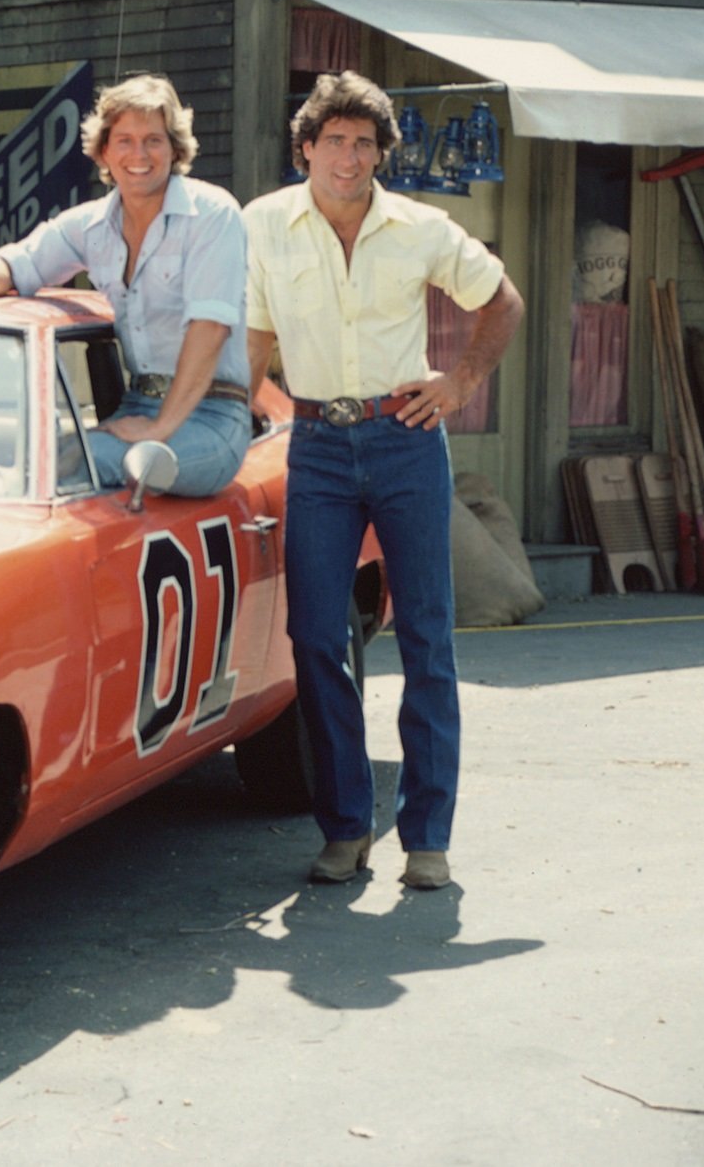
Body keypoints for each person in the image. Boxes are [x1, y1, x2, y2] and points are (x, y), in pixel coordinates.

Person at [243, 71, 525, 891]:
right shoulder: (266, 224)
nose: (349, 155)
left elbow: (500, 300)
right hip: (318, 448)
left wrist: (459, 386)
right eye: (333, 140)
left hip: (404, 439)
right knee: (316, 638)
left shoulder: (419, 227)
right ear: (306, 148)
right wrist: (238, 426)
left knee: (428, 637)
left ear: (380, 155)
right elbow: (255, 335)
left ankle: (428, 838)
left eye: (364, 142)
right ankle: (345, 828)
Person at [0, 74, 252, 497]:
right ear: (104, 149)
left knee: (68, 465)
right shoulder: (91, 225)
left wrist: (158, 428)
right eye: (124, 140)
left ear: (175, 148)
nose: (139, 154)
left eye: (153, 140)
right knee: (29, 466)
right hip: (136, 403)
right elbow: (16, 263)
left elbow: (209, 330)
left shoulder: (213, 215)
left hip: (212, 419)